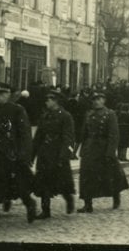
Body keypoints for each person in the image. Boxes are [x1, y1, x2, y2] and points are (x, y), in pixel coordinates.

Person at [0, 83, 37, 229]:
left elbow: (25, 134)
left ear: (8, 94)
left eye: (2, 94)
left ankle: (30, 204)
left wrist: (25, 155)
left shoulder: (17, 110)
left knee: (19, 185)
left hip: (13, 155)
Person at [78, 91, 129, 213]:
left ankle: (116, 197)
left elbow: (114, 135)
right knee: (86, 175)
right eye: (94, 99)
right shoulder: (89, 114)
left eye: (99, 99)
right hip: (90, 149)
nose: (96, 101)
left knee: (111, 175)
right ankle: (87, 204)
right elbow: (84, 134)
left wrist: (110, 152)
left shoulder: (110, 114)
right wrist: (82, 149)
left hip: (104, 148)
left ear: (104, 100)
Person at [32, 90, 76, 219]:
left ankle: (69, 200)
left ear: (56, 101)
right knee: (44, 182)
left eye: (49, 99)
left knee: (62, 182)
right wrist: (32, 154)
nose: (46, 102)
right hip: (45, 153)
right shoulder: (45, 116)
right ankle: (45, 210)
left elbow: (69, 138)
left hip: (58, 154)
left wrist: (64, 154)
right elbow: (38, 137)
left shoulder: (65, 116)